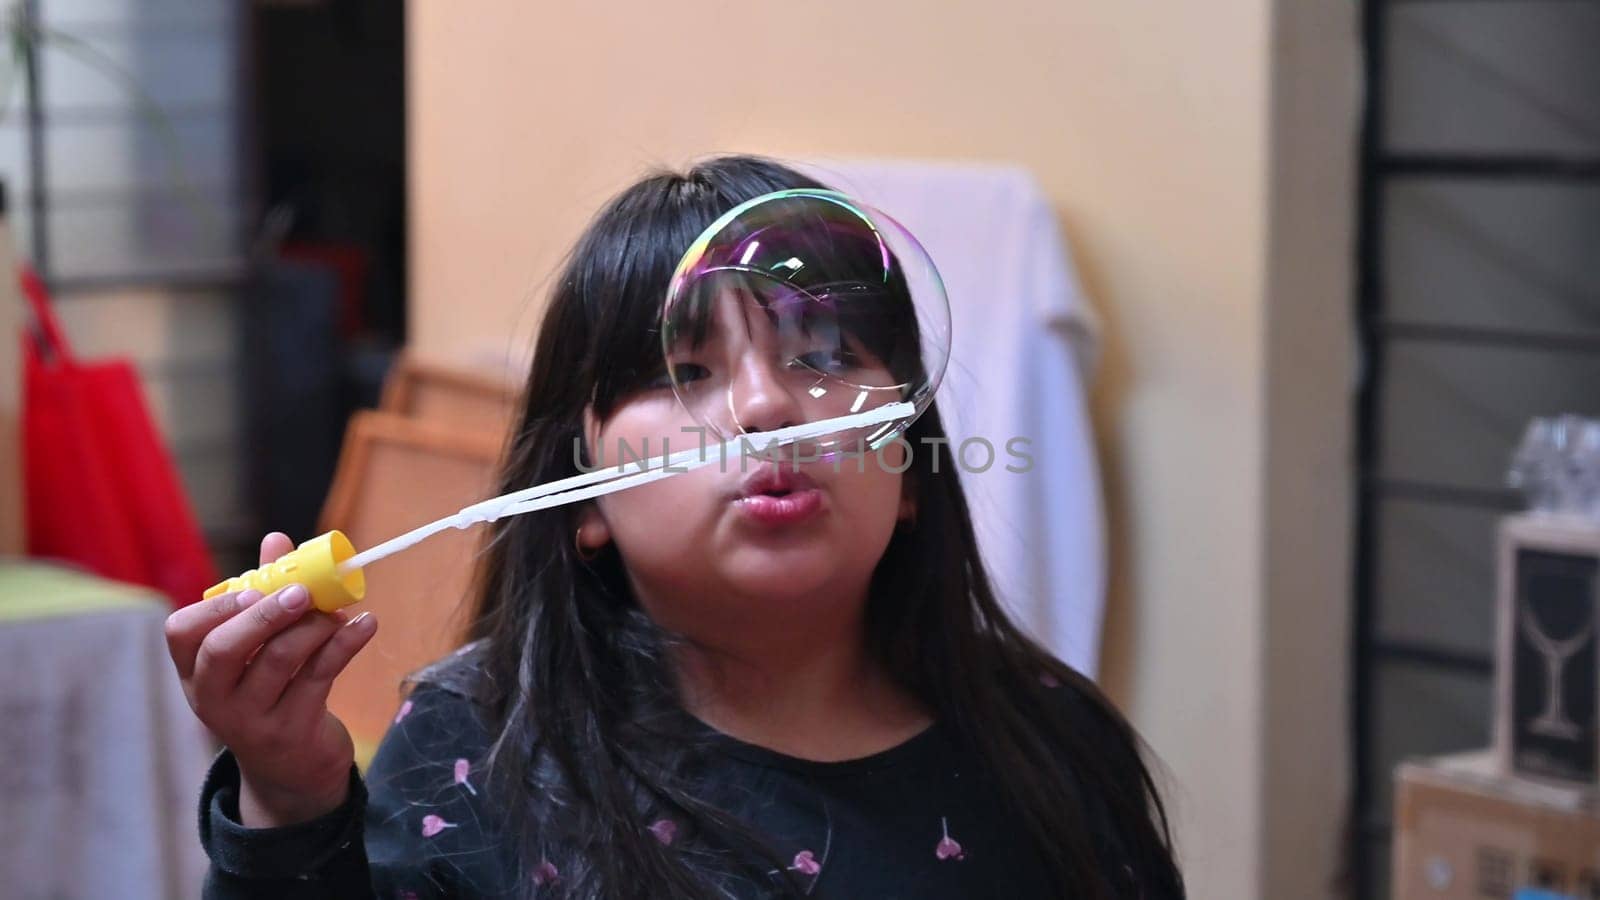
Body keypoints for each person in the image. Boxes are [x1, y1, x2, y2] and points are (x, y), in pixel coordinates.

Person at [165, 155, 1186, 899]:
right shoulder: (471, 753)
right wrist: (289, 805)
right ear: (584, 505)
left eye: (822, 357)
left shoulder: (1052, 743)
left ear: (909, 474)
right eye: (680, 372)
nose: (764, 407)